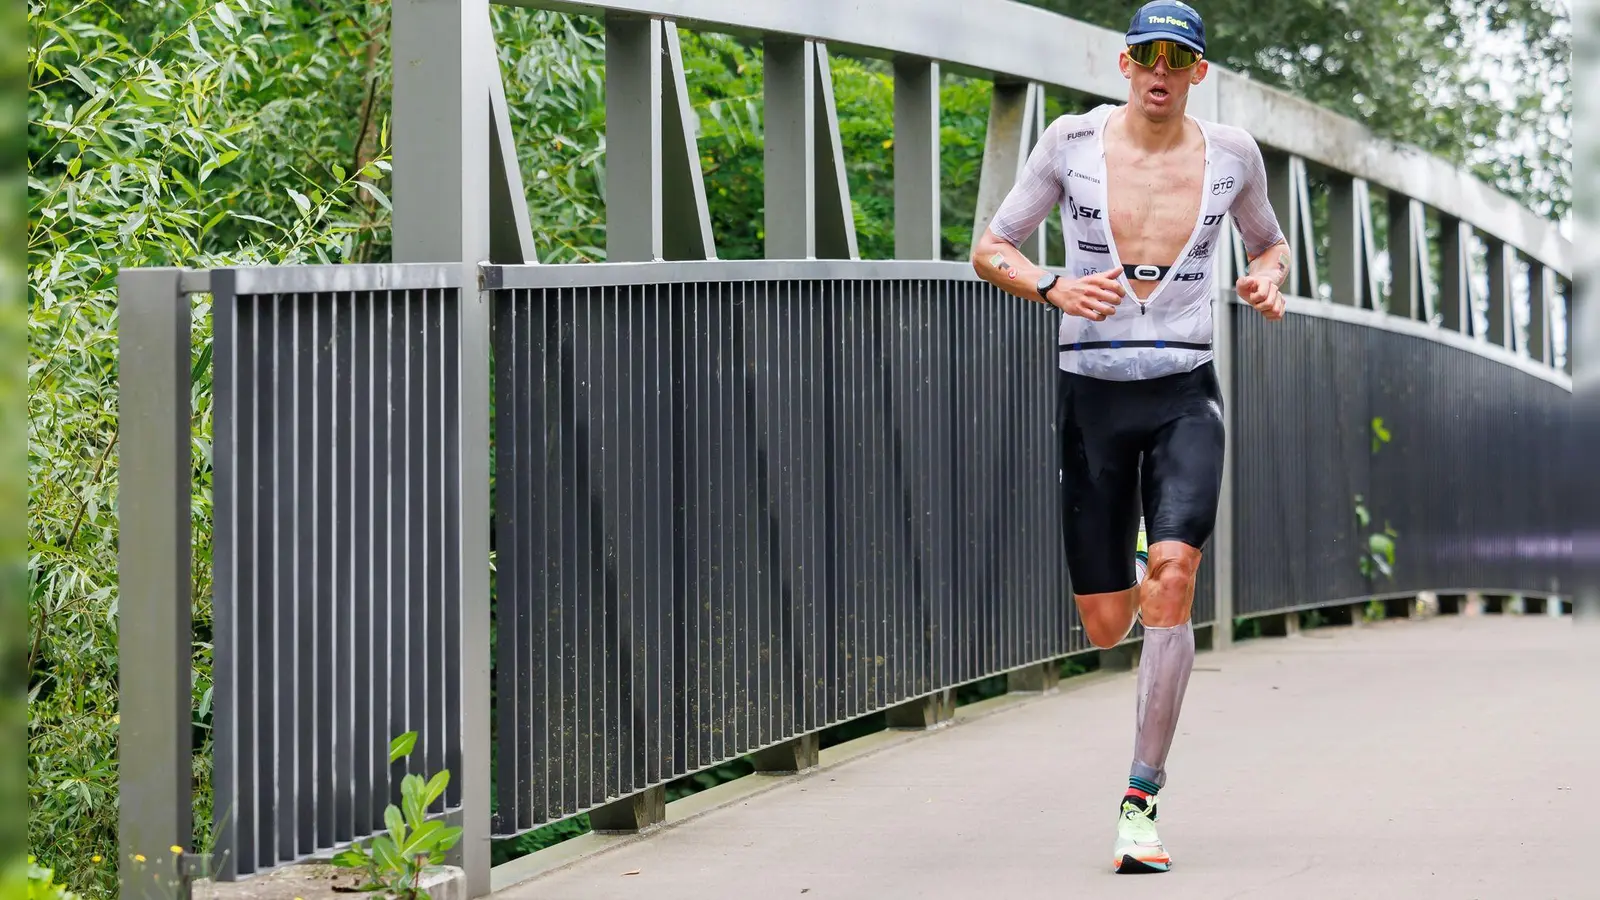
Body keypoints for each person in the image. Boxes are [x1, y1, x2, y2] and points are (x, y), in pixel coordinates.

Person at [970, 0, 1291, 875]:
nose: (1158, 69)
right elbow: (991, 246)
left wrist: (1266, 280)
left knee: (1175, 576)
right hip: (1093, 399)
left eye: (1174, 57)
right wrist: (1049, 287)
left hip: (1186, 392)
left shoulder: (1234, 156)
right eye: (1144, 54)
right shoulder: (1070, 143)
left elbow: (1270, 246)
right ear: (1123, 66)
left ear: (1197, 72)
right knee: (1108, 624)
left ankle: (1140, 800)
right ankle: (1136, 577)